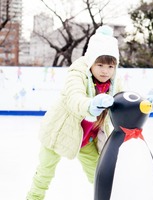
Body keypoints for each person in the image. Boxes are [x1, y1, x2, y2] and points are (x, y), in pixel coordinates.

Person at [26, 25, 122, 200]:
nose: (105, 71)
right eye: (100, 65)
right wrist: (90, 105)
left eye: (110, 66)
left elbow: (124, 99)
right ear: (90, 62)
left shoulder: (114, 82)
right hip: (58, 132)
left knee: (100, 177)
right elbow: (73, 97)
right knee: (44, 174)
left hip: (88, 139)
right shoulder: (77, 73)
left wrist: (144, 105)